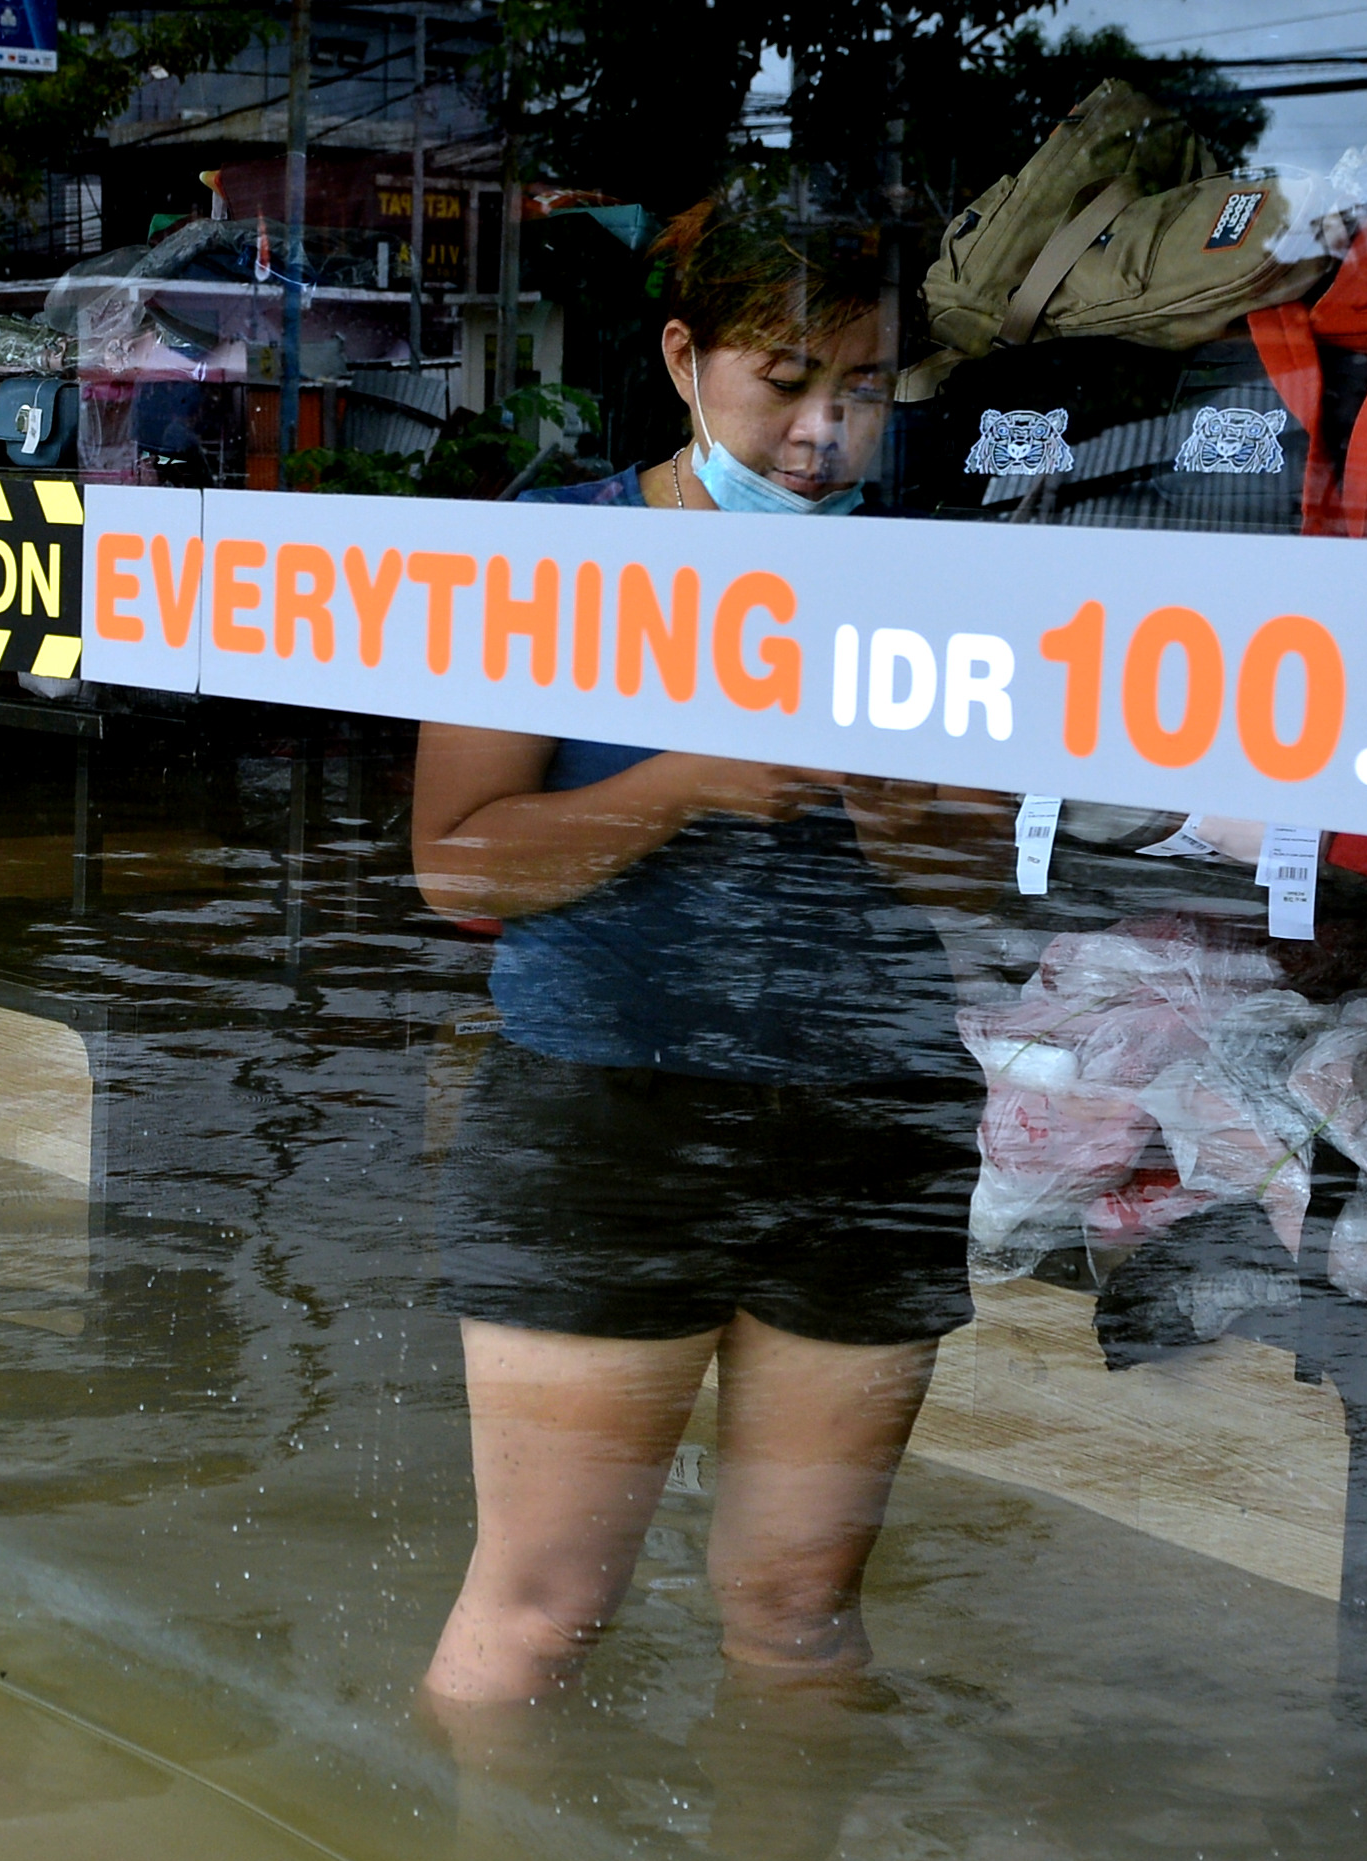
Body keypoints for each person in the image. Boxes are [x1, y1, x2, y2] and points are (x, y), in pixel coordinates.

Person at [411, 189, 1006, 1710]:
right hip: (601, 1115)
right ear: (684, 360)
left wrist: (900, 813)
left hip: (873, 1122)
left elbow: (991, 868)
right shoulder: (554, 557)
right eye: (785, 380)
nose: (823, 433)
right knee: (543, 1612)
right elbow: (453, 859)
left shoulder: (940, 578)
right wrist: (686, 782)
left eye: (864, 388)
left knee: (800, 1615)